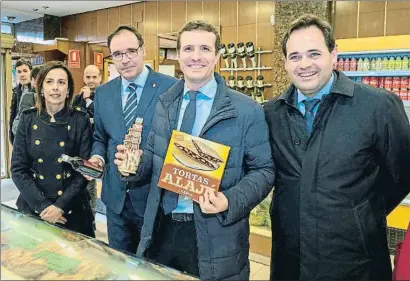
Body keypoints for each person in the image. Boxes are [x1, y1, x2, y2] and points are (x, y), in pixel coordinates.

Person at [114, 20, 275, 280]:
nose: (196, 57)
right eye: (188, 49)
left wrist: (229, 200)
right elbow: (154, 160)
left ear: (217, 56)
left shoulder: (246, 110)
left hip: (214, 232)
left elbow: (264, 171)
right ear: (178, 55)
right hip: (161, 227)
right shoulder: (164, 104)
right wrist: (132, 165)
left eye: (205, 49)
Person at [263, 14, 410, 280]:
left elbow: (403, 175)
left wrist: (358, 214)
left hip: (355, 261)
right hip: (290, 259)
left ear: (334, 54)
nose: (304, 64)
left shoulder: (378, 106)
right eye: (295, 56)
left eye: (314, 54)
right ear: (285, 63)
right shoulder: (272, 113)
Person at [87, 25, 176, 254]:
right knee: (119, 263)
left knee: (154, 266)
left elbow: (176, 140)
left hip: (153, 199)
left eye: (131, 51)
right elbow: (100, 136)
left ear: (143, 50)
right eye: (117, 54)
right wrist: (97, 157)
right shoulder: (104, 93)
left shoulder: (171, 88)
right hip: (115, 199)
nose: (125, 59)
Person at [11, 61, 94, 237]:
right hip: (34, 207)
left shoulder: (80, 120)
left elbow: (85, 170)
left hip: (71, 209)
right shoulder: (28, 119)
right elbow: (18, 169)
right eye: (49, 82)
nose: (55, 88)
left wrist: (59, 207)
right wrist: (43, 207)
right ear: (41, 87)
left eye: (61, 82)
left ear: (69, 89)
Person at [72, 64, 102, 227]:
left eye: (94, 77)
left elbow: (102, 119)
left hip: (96, 153)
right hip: (79, 152)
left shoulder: (105, 97)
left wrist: (89, 100)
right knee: (78, 187)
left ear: (100, 78)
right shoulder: (78, 98)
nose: (91, 80)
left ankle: (91, 224)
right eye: (88, 77)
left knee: (90, 188)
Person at [12, 66, 41, 136]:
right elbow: (19, 125)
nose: (22, 75)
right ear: (33, 81)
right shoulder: (28, 97)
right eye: (19, 72)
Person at [9, 59, 33, 144]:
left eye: (25, 71)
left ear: (31, 72)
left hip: (33, 137)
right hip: (18, 137)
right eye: (19, 72)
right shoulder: (16, 91)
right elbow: (14, 114)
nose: (22, 74)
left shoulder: (37, 91)